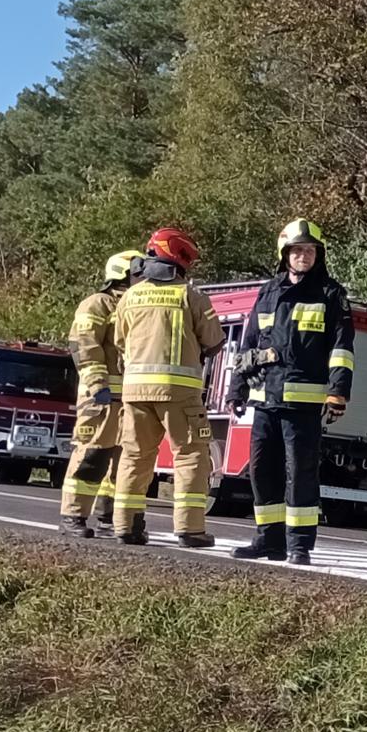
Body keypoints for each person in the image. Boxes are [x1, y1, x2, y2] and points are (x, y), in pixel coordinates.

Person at [228, 219, 355, 566]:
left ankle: (298, 545)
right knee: (261, 471)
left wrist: (338, 391)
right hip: (265, 401)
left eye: (310, 250)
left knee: (299, 473)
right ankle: (268, 540)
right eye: (297, 250)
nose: (303, 256)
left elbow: (342, 349)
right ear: (285, 255)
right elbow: (248, 344)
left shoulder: (331, 295)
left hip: (303, 406)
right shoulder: (268, 291)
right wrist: (236, 389)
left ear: (319, 255)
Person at [110, 229, 225, 547]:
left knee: (134, 456)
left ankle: (126, 526)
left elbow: (120, 341)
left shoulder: (130, 296)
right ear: (181, 258)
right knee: (190, 455)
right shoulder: (190, 294)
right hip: (179, 393)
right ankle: (190, 530)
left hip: (134, 392)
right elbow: (215, 341)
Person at [57, 249, 141, 538]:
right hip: (101, 399)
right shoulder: (97, 304)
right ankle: (73, 515)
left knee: (124, 461)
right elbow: (84, 347)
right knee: (91, 454)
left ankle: (109, 517)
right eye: (139, 270)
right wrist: (97, 386)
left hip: (131, 399)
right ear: (122, 273)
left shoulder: (137, 304)